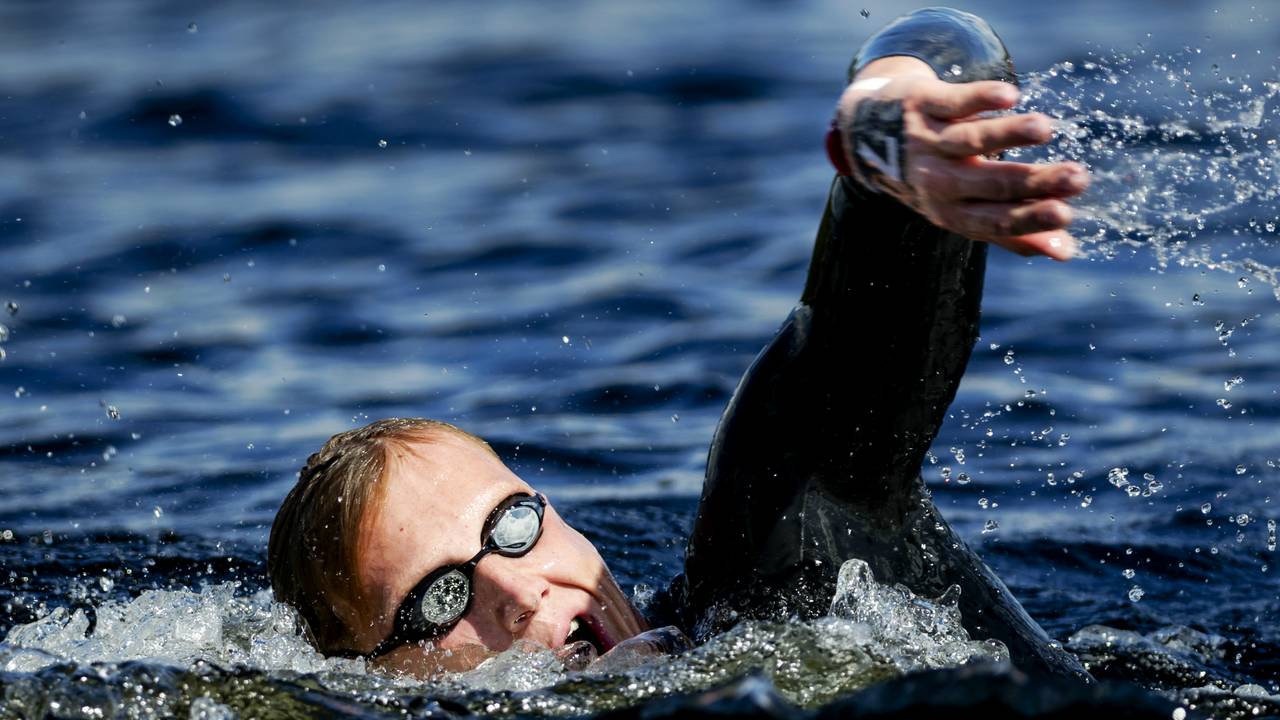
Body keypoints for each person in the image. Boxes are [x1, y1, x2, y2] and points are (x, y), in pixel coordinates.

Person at [267, 8, 1092, 680]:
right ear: (373, 681)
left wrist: (885, 134)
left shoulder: (785, 566)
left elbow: (953, 46)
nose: (518, 593)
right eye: (440, 600)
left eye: (514, 526)